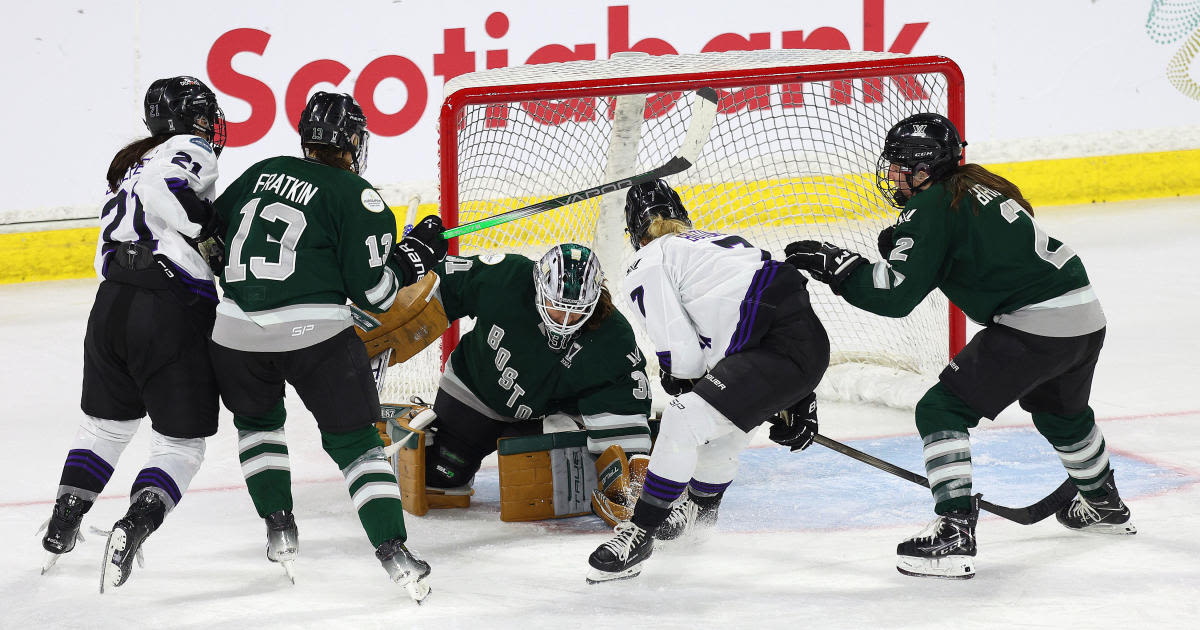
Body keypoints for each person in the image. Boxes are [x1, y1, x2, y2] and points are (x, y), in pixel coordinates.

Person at [784, 112, 1135, 580]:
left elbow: (895, 296)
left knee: (940, 409)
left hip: (1035, 324)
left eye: (898, 166)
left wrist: (839, 266)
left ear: (923, 167)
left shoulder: (931, 208)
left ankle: (954, 531)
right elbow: (970, 253)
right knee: (1062, 414)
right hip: (1085, 317)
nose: (890, 175)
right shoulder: (975, 187)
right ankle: (1103, 502)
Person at [208, 91, 445, 602]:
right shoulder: (357, 195)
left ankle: (279, 529)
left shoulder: (261, 170)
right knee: (357, 445)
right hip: (312, 336)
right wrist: (414, 258)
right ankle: (394, 553)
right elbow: (377, 296)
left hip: (233, 335)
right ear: (354, 140)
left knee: (257, 425)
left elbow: (212, 240)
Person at [586, 180, 830, 583]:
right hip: (804, 348)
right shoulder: (723, 239)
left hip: (769, 354)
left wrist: (679, 377)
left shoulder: (647, 259)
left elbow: (681, 354)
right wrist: (800, 395)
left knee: (684, 418)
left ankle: (641, 531)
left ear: (634, 233)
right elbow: (775, 304)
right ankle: (701, 515)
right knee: (721, 423)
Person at [39, 76, 227, 592]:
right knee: (181, 445)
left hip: (111, 304)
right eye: (205, 115)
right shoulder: (188, 149)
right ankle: (134, 525)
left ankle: (64, 520)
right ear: (190, 119)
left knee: (103, 428)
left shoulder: (130, 162)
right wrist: (208, 228)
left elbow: (120, 223)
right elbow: (163, 190)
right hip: (167, 308)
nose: (212, 125)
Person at [421, 243, 652, 499]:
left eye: (576, 311)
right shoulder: (506, 277)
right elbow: (439, 283)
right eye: (556, 305)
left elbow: (623, 400)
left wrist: (631, 471)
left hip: (544, 418)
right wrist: (400, 279)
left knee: (555, 489)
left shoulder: (612, 335)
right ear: (538, 285)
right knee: (440, 475)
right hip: (475, 392)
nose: (564, 319)